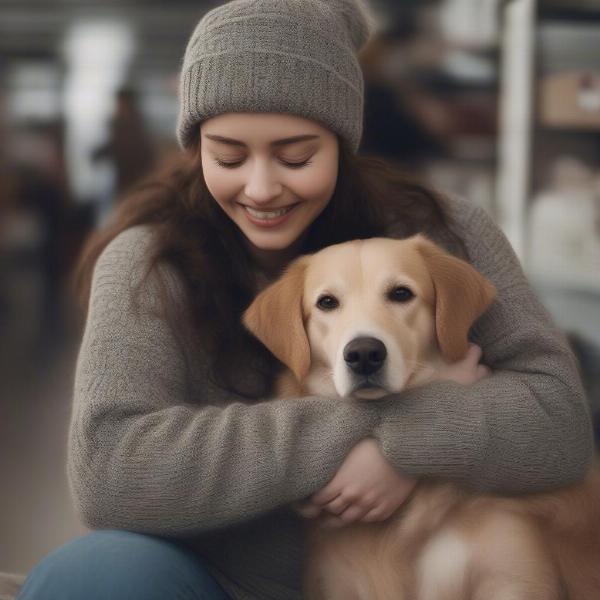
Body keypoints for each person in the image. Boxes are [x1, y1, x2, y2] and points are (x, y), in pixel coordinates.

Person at [17, 0, 593, 599]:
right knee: (94, 575)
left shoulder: (446, 233)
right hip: (221, 581)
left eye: (296, 156)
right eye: (228, 156)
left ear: (342, 142)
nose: (262, 188)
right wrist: (375, 432)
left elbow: (558, 420)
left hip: (428, 573)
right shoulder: (149, 262)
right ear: (195, 148)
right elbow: (112, 471)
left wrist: (409, 450)